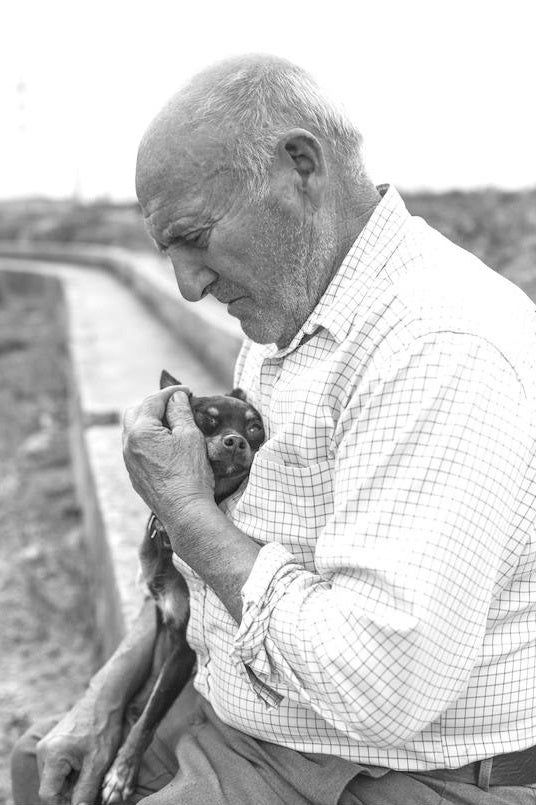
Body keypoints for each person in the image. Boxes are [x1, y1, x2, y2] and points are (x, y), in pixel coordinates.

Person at [11, 54, 536, 805]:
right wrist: (106, 693)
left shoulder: (439, 345)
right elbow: (212, 573)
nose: (189, 285)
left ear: (301, 165)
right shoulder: (286, 310)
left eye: (195, 236)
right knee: (43, 768)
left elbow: (378, 688)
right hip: (260, 721)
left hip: (391, 770)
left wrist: (187, 511)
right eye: (170, 253)